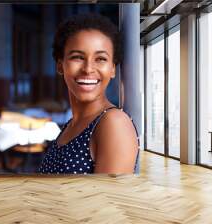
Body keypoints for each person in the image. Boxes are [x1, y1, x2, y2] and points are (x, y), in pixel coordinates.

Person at [38, 13, 139, 174]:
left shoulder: (114, 123)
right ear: (60, 65)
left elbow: (110, 198)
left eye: (100, 59)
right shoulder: (69, 126)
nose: (88, 69)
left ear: (112, 68)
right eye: (77, 57)